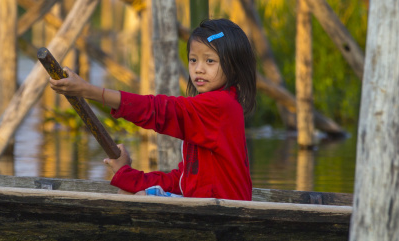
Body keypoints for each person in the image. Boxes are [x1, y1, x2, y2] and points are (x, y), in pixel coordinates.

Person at [49, 18, 256, 201]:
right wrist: (127, 174)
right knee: (128, 193)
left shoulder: (221, 106)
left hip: (222, 212)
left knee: (136, 198)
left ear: (233, 66)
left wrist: (89, 90)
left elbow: (159, 110)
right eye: (193, 60)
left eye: (210, 61)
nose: (198, 69)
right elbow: (182, 181)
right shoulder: (211, 109)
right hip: (211, 207)